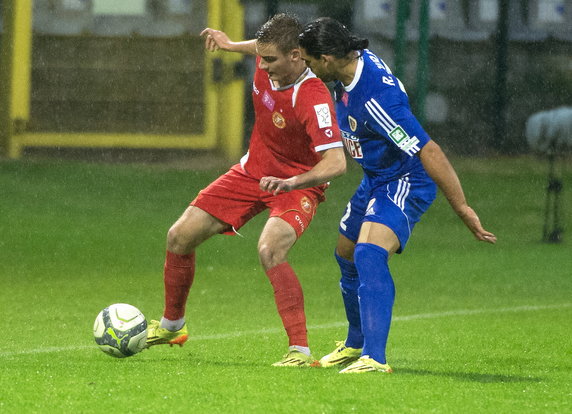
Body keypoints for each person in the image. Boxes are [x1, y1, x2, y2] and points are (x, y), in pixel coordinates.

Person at [145, 14, 346, 367]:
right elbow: (261, 46)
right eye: (261, 58)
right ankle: (172, 325)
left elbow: (335, 163)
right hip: (251, 172)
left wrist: (292, 183)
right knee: (178, 236)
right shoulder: (271, 57)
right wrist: (230, 44)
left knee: (270, 249)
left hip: (296, 184)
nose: (263, 65)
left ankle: (300, 351)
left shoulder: (314, 98)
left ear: (297, 56)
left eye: (270, 60)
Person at [298, 17, 497, 374]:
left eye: (310, 63)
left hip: (406, 178)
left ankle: (375, 357)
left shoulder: (378, 100)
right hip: (376, 177)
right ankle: (355, 343)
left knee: (369, 254)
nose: (308, 70)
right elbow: (284, 51)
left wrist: (463, 208)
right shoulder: (351, 64)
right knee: (345, 253)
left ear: (327, 58)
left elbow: (429, 151)